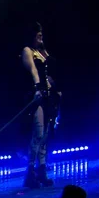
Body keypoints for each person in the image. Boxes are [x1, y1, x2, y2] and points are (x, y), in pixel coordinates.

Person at [21, 22, 60, 188]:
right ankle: (30, 173)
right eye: (38, 33)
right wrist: (37, 88)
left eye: (41, 32)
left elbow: (49, 71)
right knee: (38, 133)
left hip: (48, 96)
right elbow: (33, 71)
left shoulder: (42, 52)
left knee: (45, 135)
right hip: (36, 95)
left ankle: (42, 170)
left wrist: (55, 88)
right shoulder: (28, 51)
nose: (40, 35)